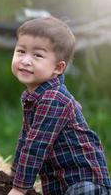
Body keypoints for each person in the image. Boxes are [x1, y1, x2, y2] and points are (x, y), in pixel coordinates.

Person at [8, 16, 111, 195]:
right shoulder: (32, 96)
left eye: (37, 55)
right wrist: (13, 175)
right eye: (21, 51)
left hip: (82, 183)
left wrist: (18, 188)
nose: (25, 60)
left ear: (58, 68)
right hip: (62, 184)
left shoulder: (53, 98)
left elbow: (36, 146)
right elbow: (26, 139)